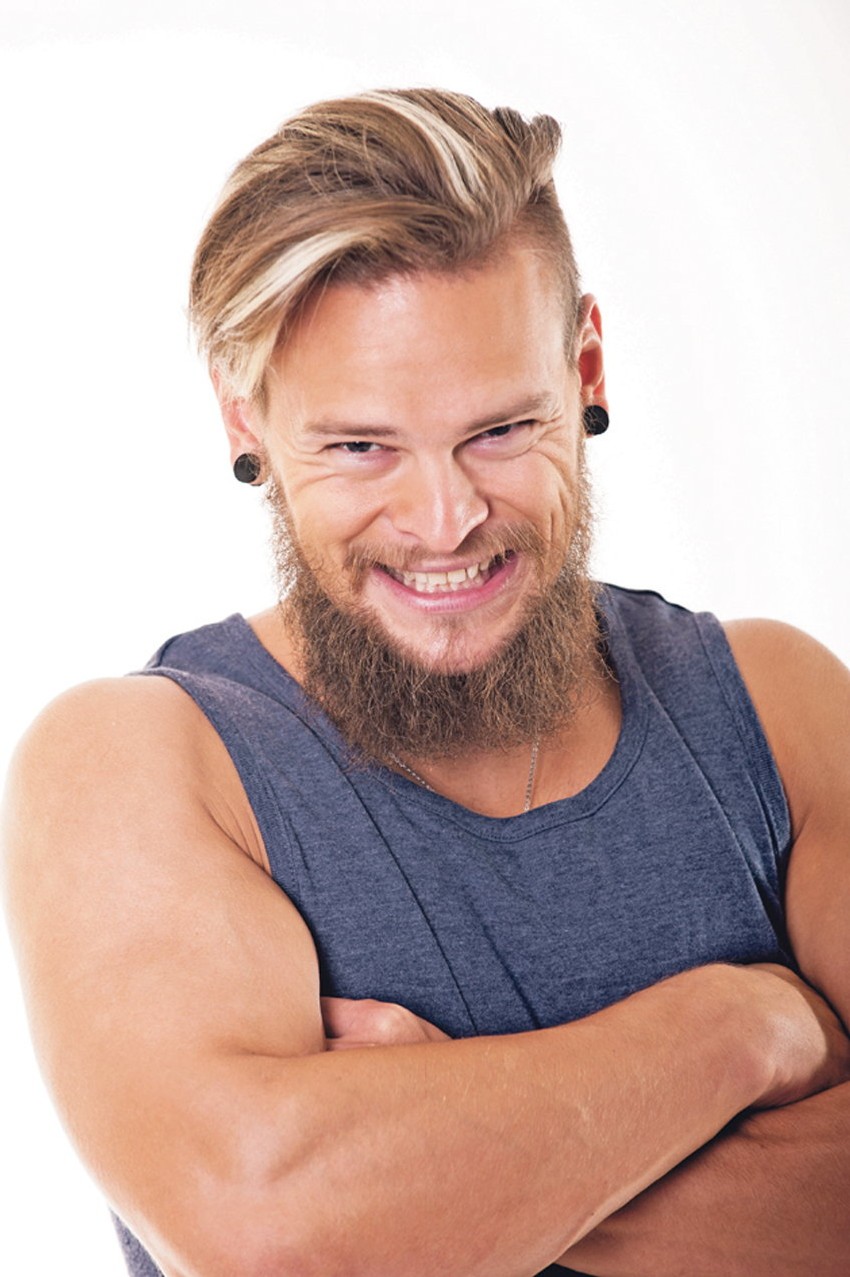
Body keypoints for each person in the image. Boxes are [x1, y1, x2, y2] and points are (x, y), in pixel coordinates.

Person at [3, 87, 849, 1277]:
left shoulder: (776, 705)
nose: (445, 520)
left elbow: (346, 1228)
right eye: (360, 446)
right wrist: (739, 1028)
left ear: (585, 368)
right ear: (245, 420)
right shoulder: (141, 760)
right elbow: (272, 1234)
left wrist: (437, 1167)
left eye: (498, 430)